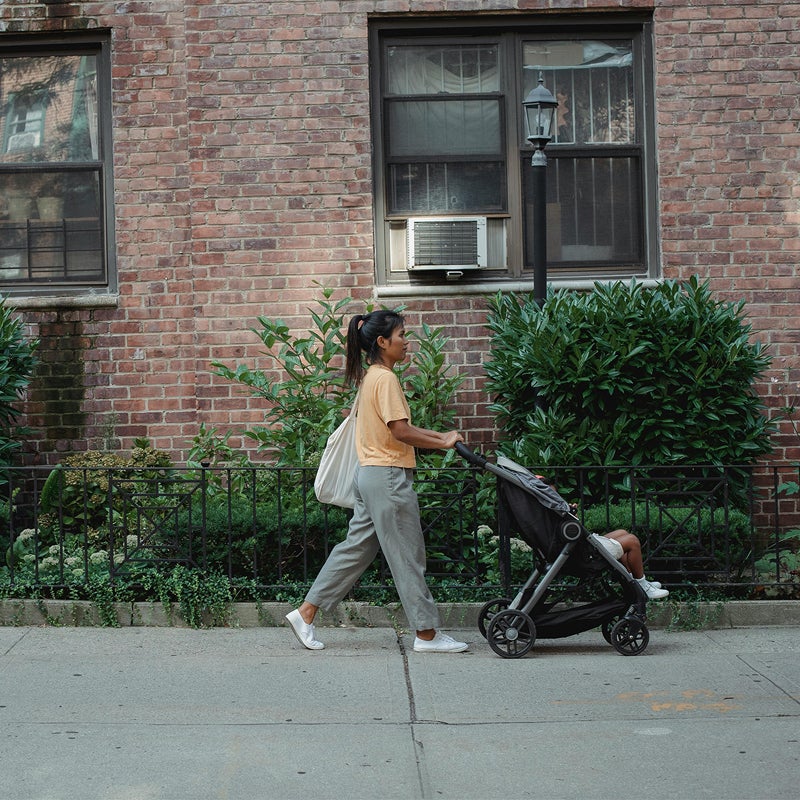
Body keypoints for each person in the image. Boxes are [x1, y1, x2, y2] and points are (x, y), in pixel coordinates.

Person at [285, 310, 469, 653]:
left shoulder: (371, 377)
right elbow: (400, 431)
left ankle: (306, 613)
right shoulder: (385, 379)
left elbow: (397, 430)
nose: (407, 341)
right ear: (383, 342)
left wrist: (442, 436)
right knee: (407, 556)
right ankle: (426, 634)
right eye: (402, 335)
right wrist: (442, 440)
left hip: (369, 474)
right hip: (387, 478)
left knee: (356, 550)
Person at [593, 529, 669, 599]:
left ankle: (633, 581)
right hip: (588, 553)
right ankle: (642, 585)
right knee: (632, 541)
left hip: (587, 543)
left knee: (622, 533)